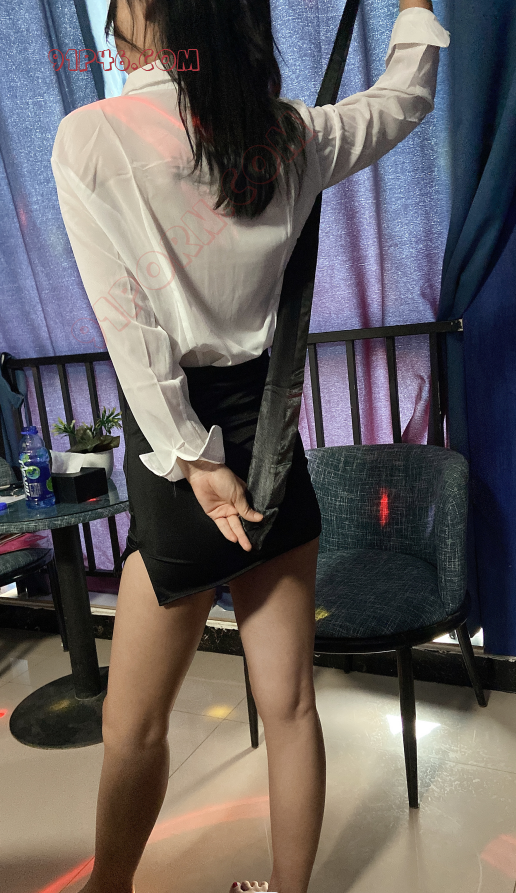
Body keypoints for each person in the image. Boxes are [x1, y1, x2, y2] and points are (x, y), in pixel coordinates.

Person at [50, 1, 450, 891]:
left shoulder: (93, 139)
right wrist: (415, 9)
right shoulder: (289, 136)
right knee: (293, 704)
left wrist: (195, 458)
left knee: (132, 727)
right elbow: (402, 101)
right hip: (270, 445)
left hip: (184, 463)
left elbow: (132, 331)